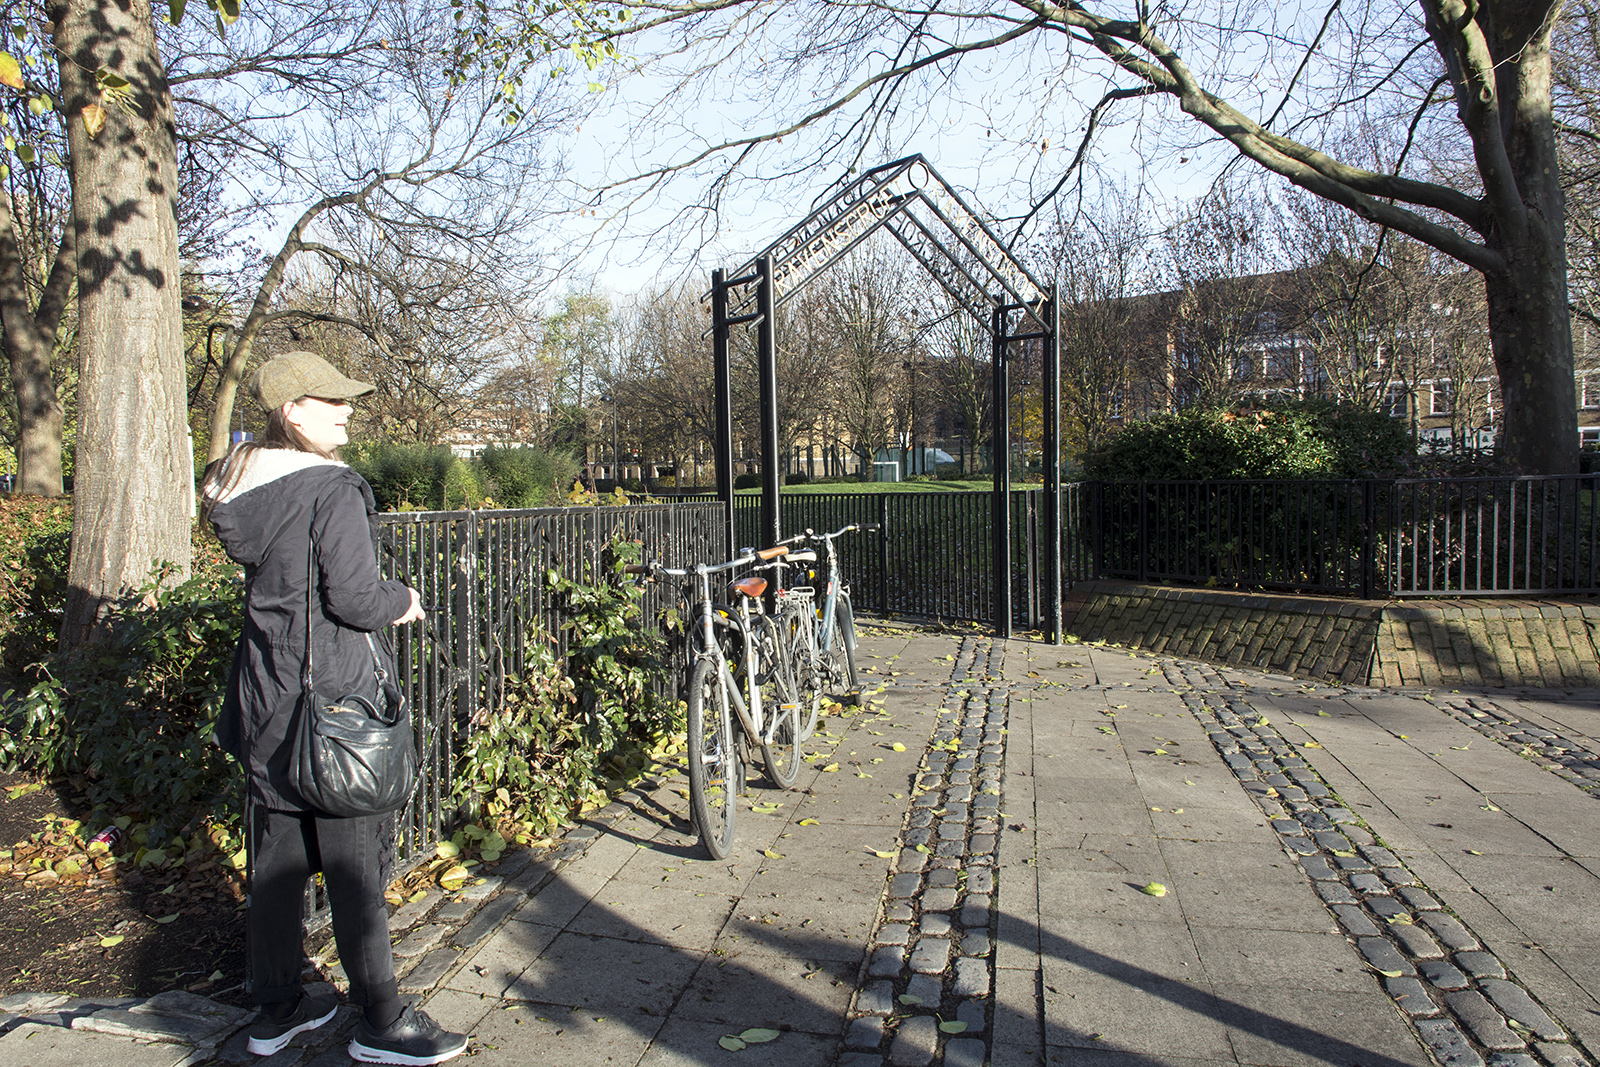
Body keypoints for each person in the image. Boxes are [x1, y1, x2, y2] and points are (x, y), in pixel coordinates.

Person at [202, 351, 469, 1065]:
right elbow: (352, 598)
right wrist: (403, 599)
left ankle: (275, 1010)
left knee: (277, 865)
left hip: (266, 699)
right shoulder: (331, 489)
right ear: (293, 411)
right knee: (354, 867)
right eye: (332, 399)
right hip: (335, 708)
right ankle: (381, 1020)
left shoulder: (243, 491)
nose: (348, 409)